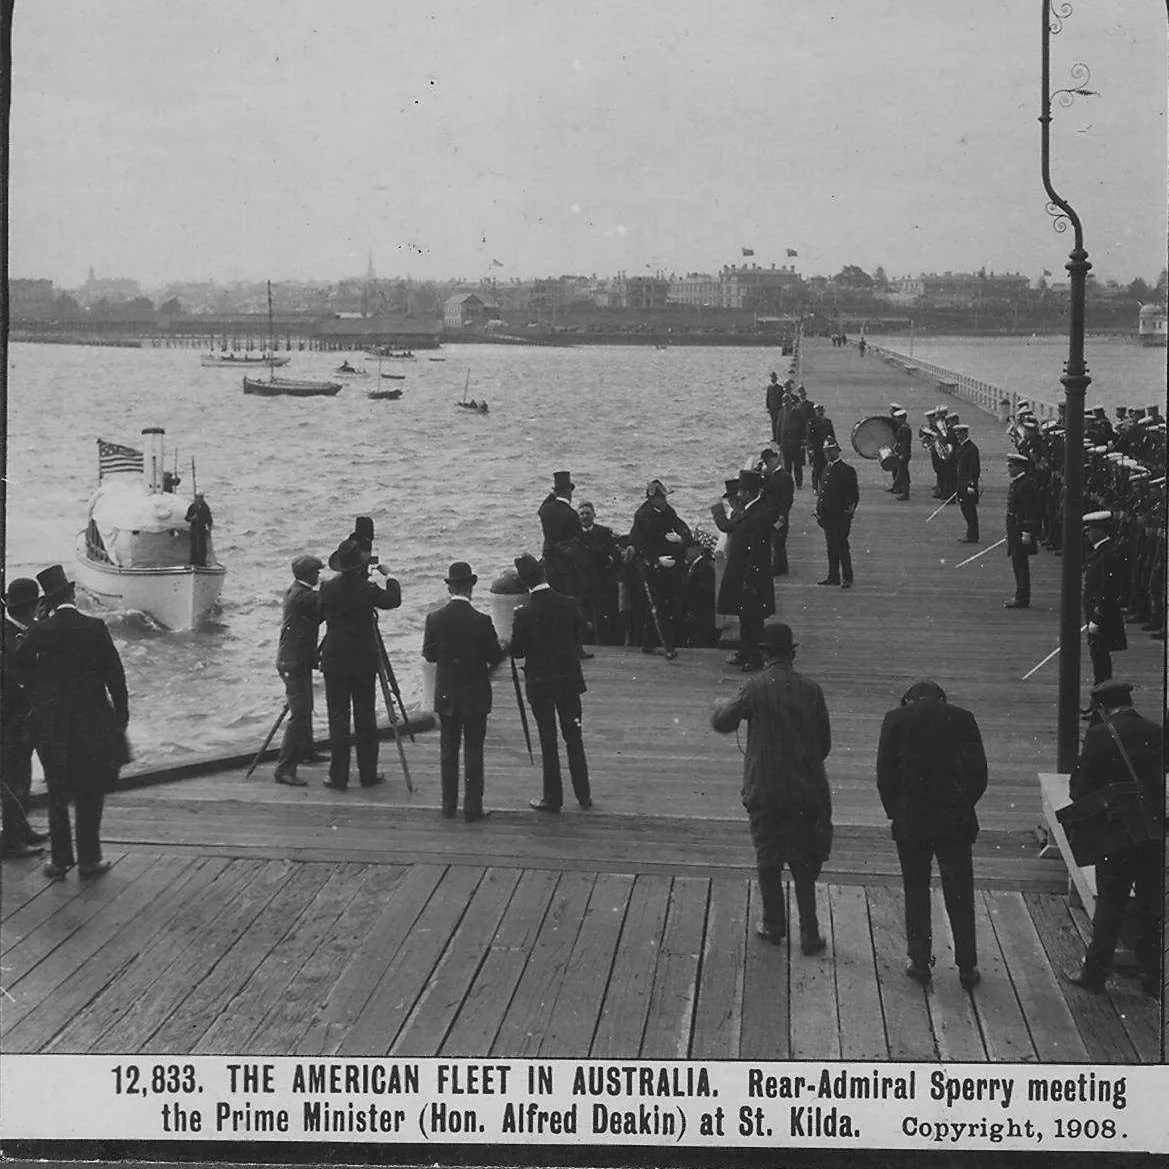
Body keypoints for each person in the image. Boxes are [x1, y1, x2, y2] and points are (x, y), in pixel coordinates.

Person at [710, 623, 832, 954]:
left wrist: (721, 704)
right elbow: (824, 743)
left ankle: (773, 924)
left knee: (768, 858)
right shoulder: (812, 689)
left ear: (764, 653)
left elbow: (723, 722)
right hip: (804, 789)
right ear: (791, 653)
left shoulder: (755, 687)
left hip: (765, 788)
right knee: (804, 863)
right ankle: (810, 933)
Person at [14, 565, 130, 880]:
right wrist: (120, 716)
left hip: (53, 728)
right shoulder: (95, 627)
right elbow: (115, 677)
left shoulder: (40, 631)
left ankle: (60, 861)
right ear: (72, 593)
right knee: (90, 792)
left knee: (57, 793)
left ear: (47, 602)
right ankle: (90, 861)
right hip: (93, 724)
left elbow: (18, 669)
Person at [876, 680, 988, 990]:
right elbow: (979, 773)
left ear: (909, 700)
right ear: (942, 698)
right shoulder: (963, 717)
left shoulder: (895, 719)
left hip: (912, 820)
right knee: (960, 892)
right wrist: (962, 804)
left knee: (916, 889)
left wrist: (896, 812)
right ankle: (967, 966)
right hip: (954, 820)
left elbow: (885, 775)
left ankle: (920, 960)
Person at [1063, 679, 1163, 997]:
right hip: (1153, 830)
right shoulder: (1156, 731)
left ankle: (1095, 972)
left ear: (1103, 708)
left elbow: (1080, 789)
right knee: (1151, 903)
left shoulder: (1099, 735)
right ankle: (1153, 975)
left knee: (1110, 903)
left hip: (1117, 832)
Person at [509, 553, 592, 814]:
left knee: (548, 740)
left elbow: (518, 652)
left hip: (540, 683)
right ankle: (584, 795)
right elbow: (579, 634)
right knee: (574, 737)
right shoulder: (568, 603)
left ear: (525, 582)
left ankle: (552, 798)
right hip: (568, 680)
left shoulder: (523, 613)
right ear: (543, 573)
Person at [422, 562, 504, 822]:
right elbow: (495, 656)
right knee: (473, 751)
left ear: (450, 587)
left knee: (448, 750)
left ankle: (448, 806)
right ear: (470, 587)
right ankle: (472, 808)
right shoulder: (482, 621)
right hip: (475, 694)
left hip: (447, 694)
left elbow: (430, 655)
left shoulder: (434, 619)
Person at [317, 537, 402, 790]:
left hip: (334, 658)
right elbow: (393, 600)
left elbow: (320, 614)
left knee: (338, 719)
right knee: (365, 718)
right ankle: (368, 774)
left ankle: (338, 776)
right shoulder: (367, 589)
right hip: (363, 659)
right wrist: (390, 575)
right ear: (360, 566)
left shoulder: (327, 588)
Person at [1, 578, 49, 858]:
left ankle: (20, 830)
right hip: (11, 723)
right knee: (14, 780)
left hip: (20, 720)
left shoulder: (16, 631)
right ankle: (12, 842)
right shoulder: (10, 639)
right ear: (33, 605)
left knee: (23, 776)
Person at [273, 554, 325, 787]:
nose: (318, 576)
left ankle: (306, 751)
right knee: (299, 713)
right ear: (307, 574)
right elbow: (324, 604)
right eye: (316, 572)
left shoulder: (296, 591)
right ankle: (284, 768)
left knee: (305, 708)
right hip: (294, 662)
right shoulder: (302, 596)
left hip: (296, 659)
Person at [717, 469, 776, 672]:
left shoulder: (758, 515)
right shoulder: (751, 511)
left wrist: (751, 580)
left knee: (753, 619)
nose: (739, 495)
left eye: (741, 491)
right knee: (745, 617)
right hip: (743, 574)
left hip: (751, 577)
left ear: (749, 492)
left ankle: (754, 658)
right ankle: (745, 652)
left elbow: (758, 552)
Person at [629, 478, 692, 659]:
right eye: (661, 498)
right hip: (652, 568)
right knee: (657, 607)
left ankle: (648, 643)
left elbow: (684, 529)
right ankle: (668, 648)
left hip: (670, 566)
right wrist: (657, 560)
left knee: (667, 605)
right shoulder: (641, 516)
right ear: (652, 499)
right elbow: (638, 544)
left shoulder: (669, 511)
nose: (665, 501)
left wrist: (680, 539)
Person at [1082, 511, 1126, 684]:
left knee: (1101, 661)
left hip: (1101, 617)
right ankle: (1098, 702)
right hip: (1096, 614)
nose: (1087, 533)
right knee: (1098, 659)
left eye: (1090, 529)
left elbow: (1107, 589)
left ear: (1100, 531)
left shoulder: (1107, 555)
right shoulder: (1101, 552)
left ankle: (1100, 703)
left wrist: (1097, 618)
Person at [577, 501, 623, 645]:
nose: (585, 517)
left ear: (594, 515)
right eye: (582, 514)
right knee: (583, 614)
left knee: (603, 613)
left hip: (601, 579)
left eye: (588, 513)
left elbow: (614, 552)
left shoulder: (603, 532)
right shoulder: (574, 534)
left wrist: (609, 559)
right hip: (582, 580)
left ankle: (605, 643)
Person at [815, 440, 859, 589]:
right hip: (827, 516)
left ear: (837, 451)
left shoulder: (847, 470)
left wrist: (848, 513)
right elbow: (823, 492)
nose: (827, 454)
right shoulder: (826, 469)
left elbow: (854, 495)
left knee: (842, 547)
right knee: (831, 547)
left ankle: (847, 577)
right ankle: (833, 576)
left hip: (840, 516)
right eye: (826, 451)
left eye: (830, 451)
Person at [538, 470, 585, 601]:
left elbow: (541, 507)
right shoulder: (571, 514)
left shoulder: (545, 510)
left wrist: (552, 495)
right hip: (566, 566)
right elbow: (578, 541)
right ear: (569, 492)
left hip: (548, 564)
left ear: (556, 491)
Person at [1004, 452, 1040, 609]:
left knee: (1020, 564)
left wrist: (1027, 531)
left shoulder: (1025, 485)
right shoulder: (1018, 482)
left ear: (1019, 467)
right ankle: (1021, 593)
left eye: (1011, 466)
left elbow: (1029, 510)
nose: (1009, 469)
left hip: (1020, 528)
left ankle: (1022, 596)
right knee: (1017, 563)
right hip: (1014, 528)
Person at [759, 449, 794, 576]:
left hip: (778, 513)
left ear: (775, 459)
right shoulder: (771, 476)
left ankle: (779, 567)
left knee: (778, 541)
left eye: (769, 461)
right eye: (766, 462)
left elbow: (787, 499)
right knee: (777, 541)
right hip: (771, 513)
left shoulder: (784, 477)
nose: (768, 464)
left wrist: (782, 515)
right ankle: (781, 566)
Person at [954, 424, 980, 542]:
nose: (958, 436)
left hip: (967, 485)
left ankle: (972, 535)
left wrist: (971, 484)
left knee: (970, 511)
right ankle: (970, 533)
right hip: (961, 484)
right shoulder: (962, 447)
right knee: (965, 510)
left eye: (960, 434)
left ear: (965, 434)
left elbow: (974, 469)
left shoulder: (971, 448)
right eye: (957, 434)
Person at [806, 404, 836, 494]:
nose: (820, 413)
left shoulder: (828, 422)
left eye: (821, 411)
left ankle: (824, 486)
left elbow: (832, 435)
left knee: (826, 468)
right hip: (816, 449)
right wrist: (810, 450)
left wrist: (835, 446)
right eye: (818, 411)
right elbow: (809, 438)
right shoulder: (812, 422)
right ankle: (815, 487)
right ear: (815, 412)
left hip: (826, 449)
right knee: (816, 469)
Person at [185, 491, 214, 566]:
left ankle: (202, 562)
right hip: (194, 529)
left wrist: (210, 528)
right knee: (194, 546)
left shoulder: (205, 507)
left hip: (202, 529)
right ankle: (193, 562)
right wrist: (192, 518)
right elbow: (187, 518)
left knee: (202, 546)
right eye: (198, 497)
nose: (199, 499)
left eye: (201, 497)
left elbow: (209, 518)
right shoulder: (192, 507)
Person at [890, 408, 912, 500]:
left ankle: (905, 493)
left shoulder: (904, 429)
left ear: (903, 418)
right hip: (900, 453)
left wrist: (903, 454)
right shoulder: (902, 427)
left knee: (903, 473)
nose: (896, 420)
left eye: (898, 418)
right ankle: (901, 489)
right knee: (901, 472)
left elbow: (905, 444)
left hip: (903, 454)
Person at [765, 372, 784, 445]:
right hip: (772, 409)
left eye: (774, 378)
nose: (772, 379)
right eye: (772, 378)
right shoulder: (769, 388)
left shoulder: (780, 388)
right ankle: (774, 437)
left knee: (778, 424)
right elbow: (768, 398)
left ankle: (778, 438)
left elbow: (782, 399)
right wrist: (768, 407)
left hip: (778, 408)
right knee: (773, 424)